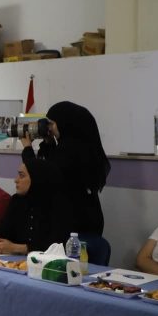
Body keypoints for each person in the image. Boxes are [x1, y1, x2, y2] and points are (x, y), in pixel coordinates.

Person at [21, 101, 109, 236]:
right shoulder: (80, 149)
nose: (49, 128)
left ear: (65, 124)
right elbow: (53, 166)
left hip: (74, 224)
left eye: (52, 123)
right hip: (88, 218)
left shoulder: (69, 153)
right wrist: (49, 143)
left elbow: (40, 177)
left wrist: (27, 148)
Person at [0, 159, 72, 255]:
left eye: (22, 176)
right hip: (15, 260)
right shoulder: (17, 201)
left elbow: (57, 245)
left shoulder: (58, 205)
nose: (16, 180)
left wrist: (17, 248)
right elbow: (2, 231)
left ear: (37, 178)